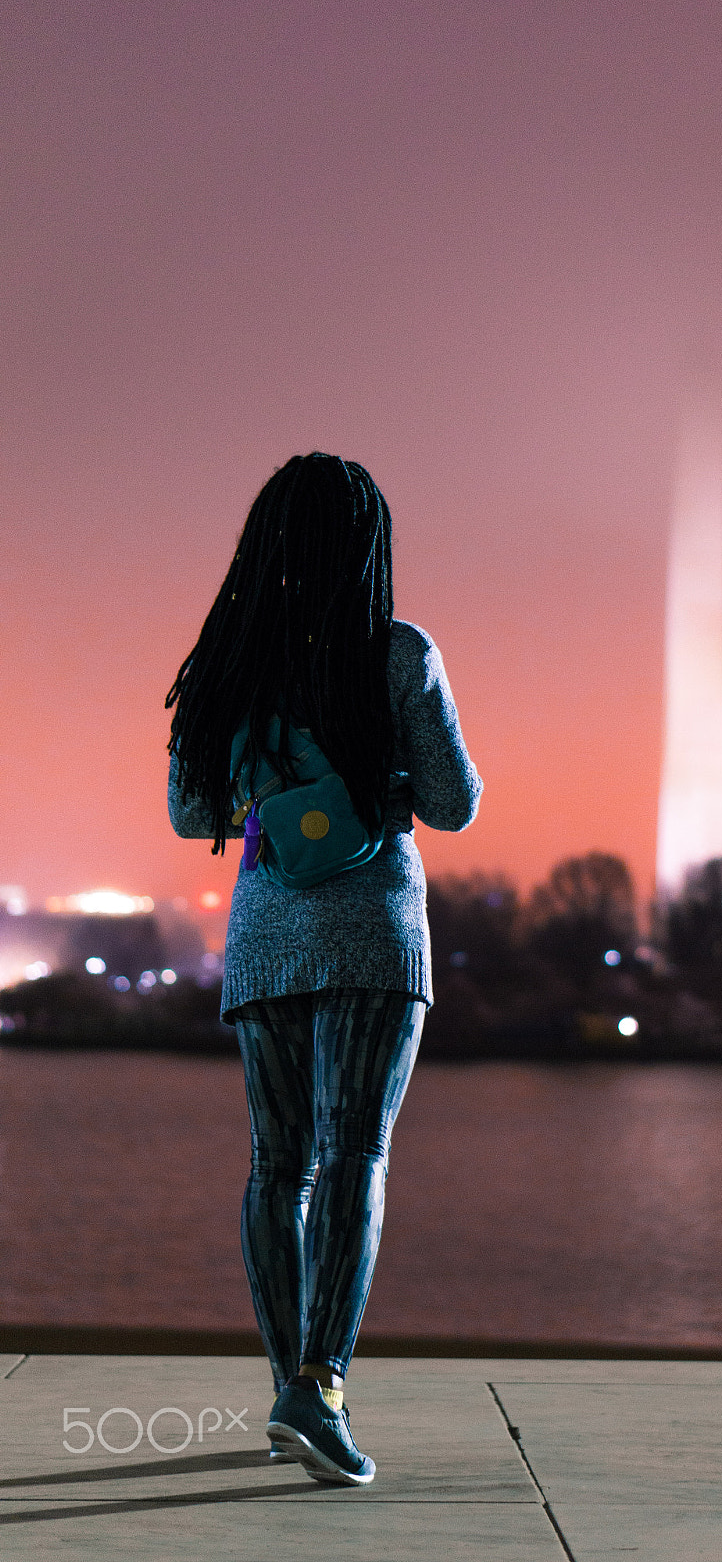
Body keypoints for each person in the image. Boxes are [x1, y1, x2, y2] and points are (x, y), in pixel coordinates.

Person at [165, 453, 482, 1485]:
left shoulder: (232, 660)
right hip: (375, 934)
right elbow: (452, 803)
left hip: (266, 935)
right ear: (368, 545)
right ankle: (322, 1382)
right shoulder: (397, 653)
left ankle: (288, 1391)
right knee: (356, 1152)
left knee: (277, 1161)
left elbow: (192, 815)